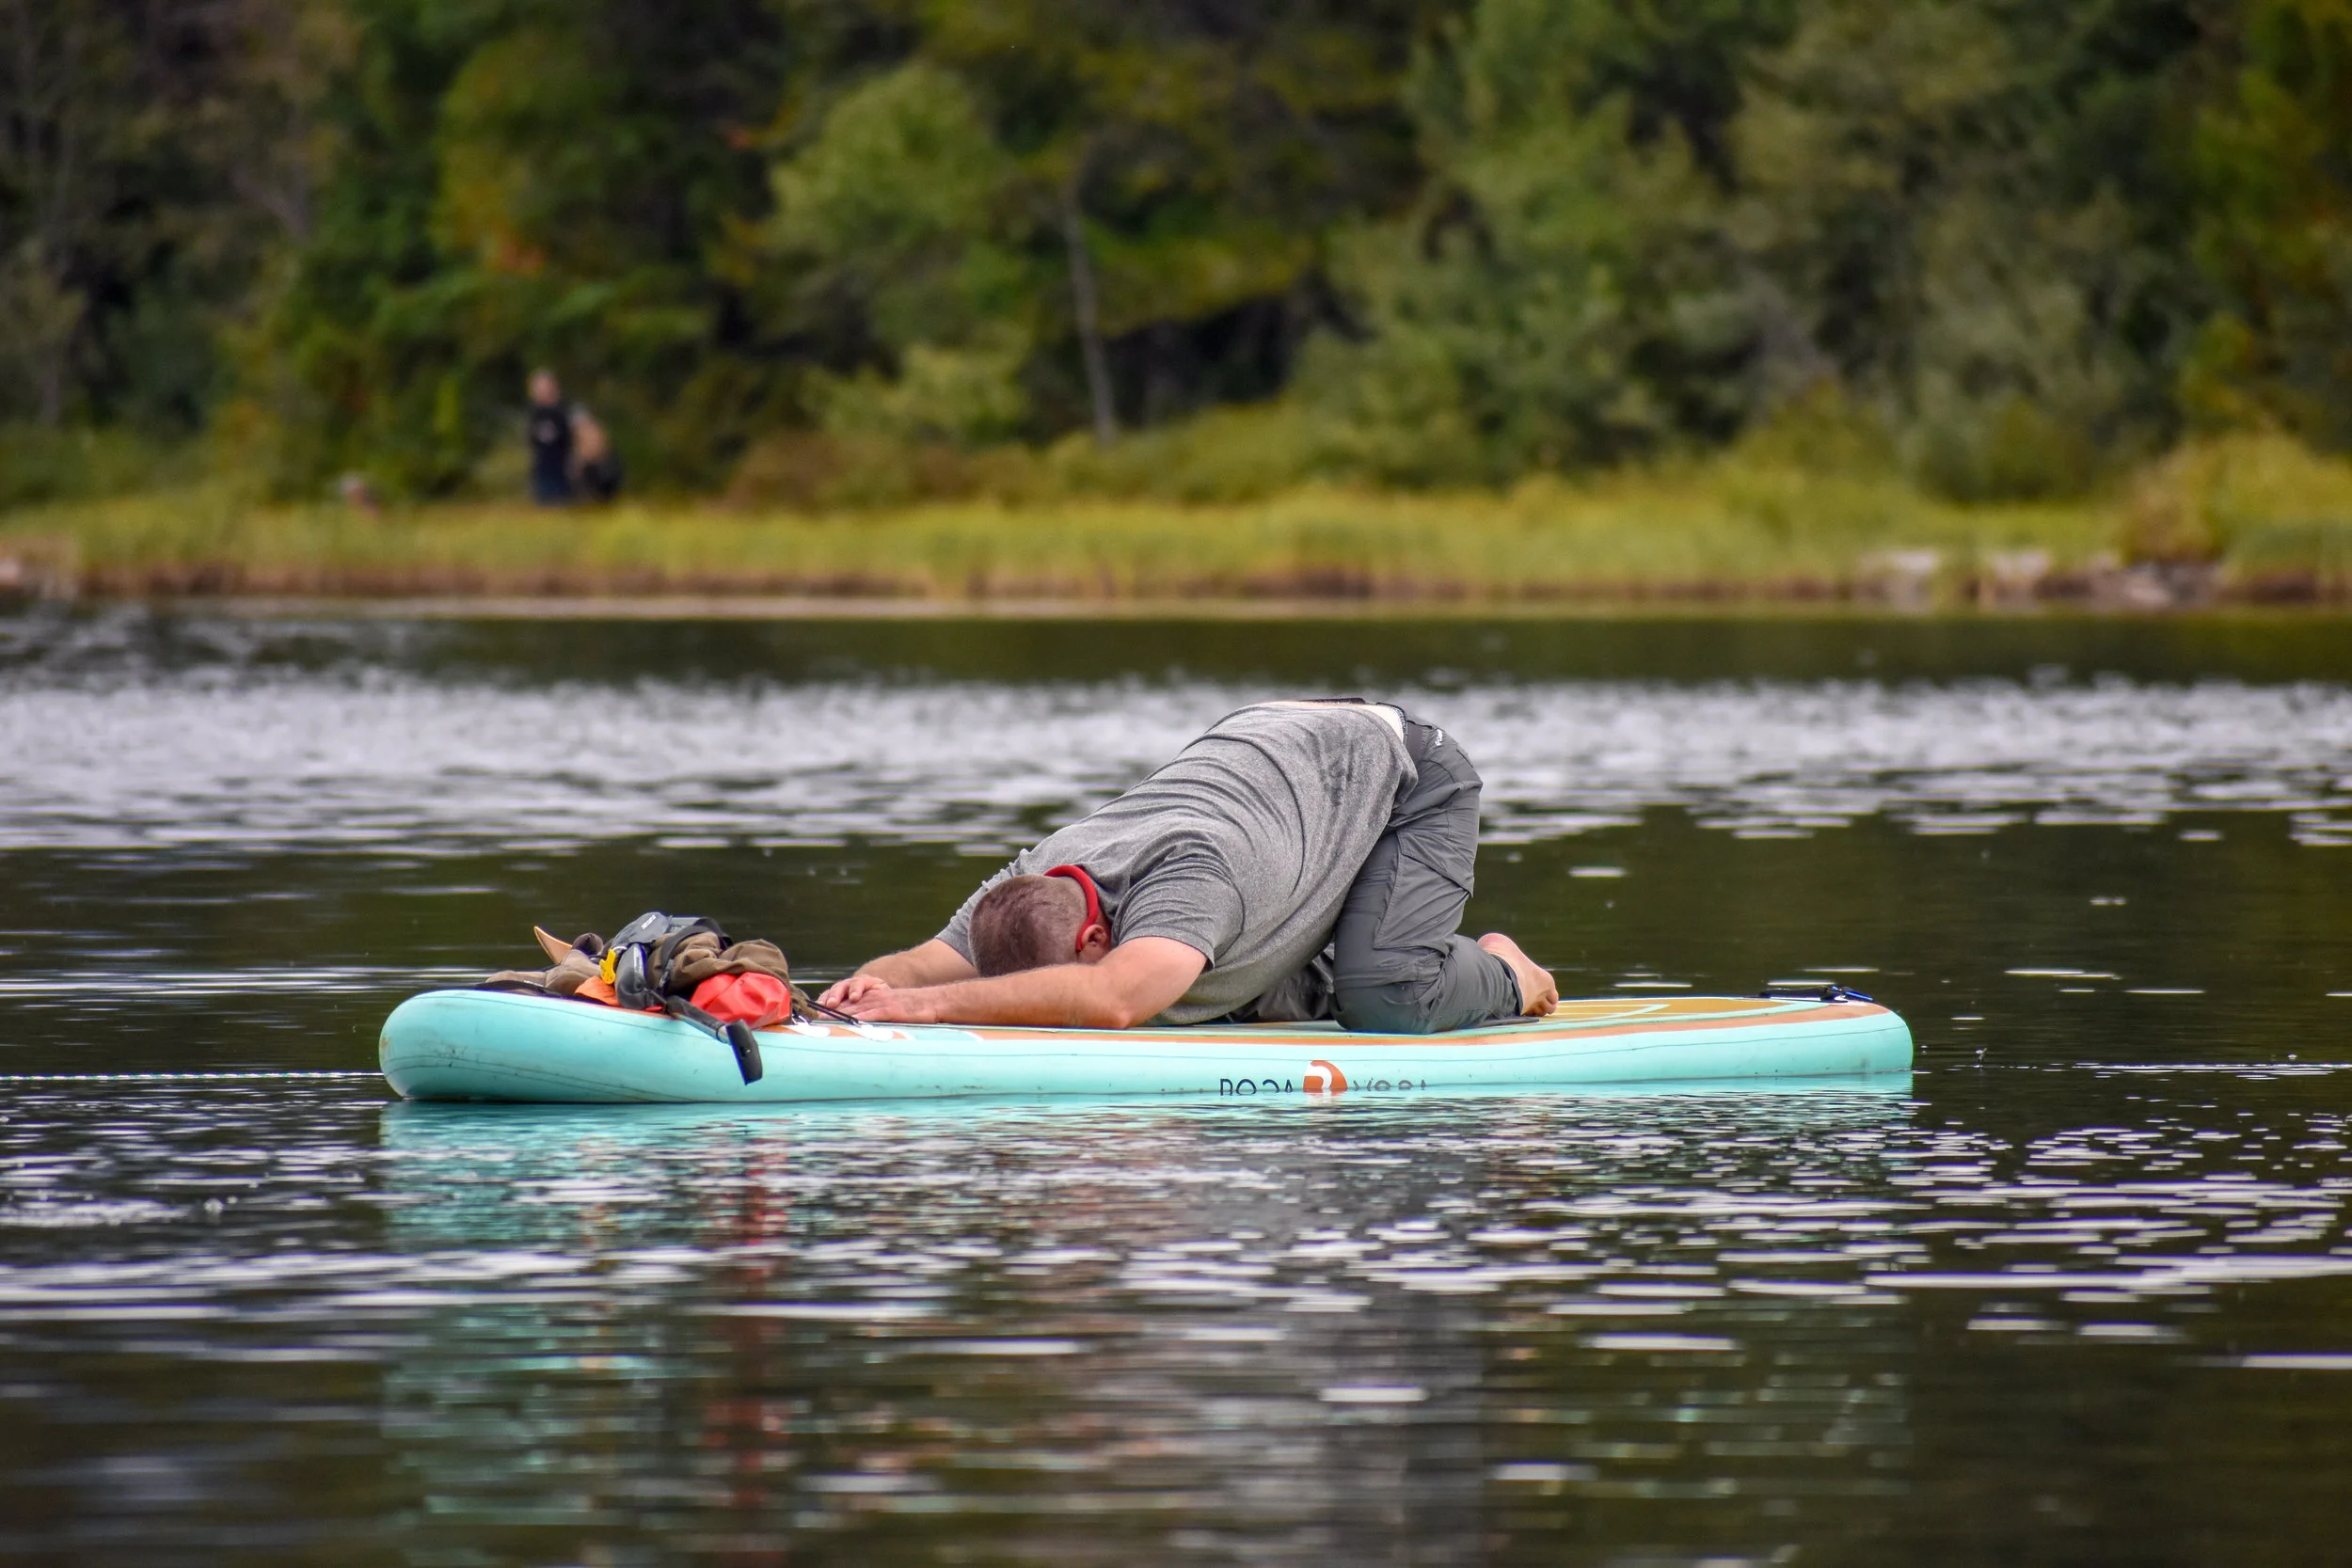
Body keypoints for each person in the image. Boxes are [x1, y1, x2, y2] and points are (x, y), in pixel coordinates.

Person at [818, 700, 1559, 1031]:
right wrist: (858, 992)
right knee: (1214, 988)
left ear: (1091, 941)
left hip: (1403, 773)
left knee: (1386, 997)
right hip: (1272, 758)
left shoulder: (1189, 881)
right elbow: (919, 965)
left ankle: (1503, 970)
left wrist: (928, 1008)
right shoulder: (1032, 879)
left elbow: (1111, 1000)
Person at [526, 369, 574, 506]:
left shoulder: (564, 411)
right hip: (542, 470)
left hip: (562, 470)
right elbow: (532, 442)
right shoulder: (534, 414)